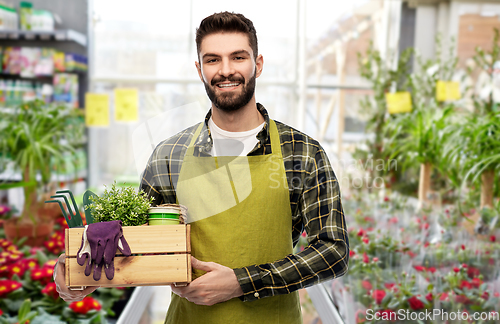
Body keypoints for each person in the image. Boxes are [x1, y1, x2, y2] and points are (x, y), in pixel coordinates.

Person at [55, 11, 349, 323]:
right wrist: (79, 264)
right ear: (199, 69)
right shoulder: (169, 155)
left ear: (257, 64)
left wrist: (241, 282)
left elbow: (333, 251)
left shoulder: (301, 151)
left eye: (238, 57)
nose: (226, 70)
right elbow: (135, 244)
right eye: (212, 60)